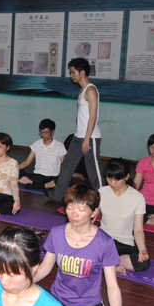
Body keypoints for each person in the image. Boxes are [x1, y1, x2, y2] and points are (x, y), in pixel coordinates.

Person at [35, 184, 127, 306]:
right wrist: (22, 285)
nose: (74, 214)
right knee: (23, 302)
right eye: (70, 208)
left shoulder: (104, 242)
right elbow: (44, 269)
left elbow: (112, 285)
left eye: (81, 209)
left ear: (94, 212)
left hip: (87, 305)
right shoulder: (57, 233)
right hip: (57, 298)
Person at [47, 58, 103, 202]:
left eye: (73, 72)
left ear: (82, 72)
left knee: (93, 170)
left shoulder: (91, 90)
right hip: (78, 136)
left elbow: (93, 117)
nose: (71, 75)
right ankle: (58, 194)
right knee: (67, 164)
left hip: (90, 137)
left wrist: (86, 140)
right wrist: (80, 136)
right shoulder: (82, 90)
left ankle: (103, 199)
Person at [99, 159, 150, 274]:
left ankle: (105, 264)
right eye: (109, 178)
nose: (112, 183)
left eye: (117, 179)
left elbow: (138, 230)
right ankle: (111, 265)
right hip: (103, 240)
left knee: (143, 262)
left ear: (127, 177)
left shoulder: (137, 198)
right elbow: (91, 218)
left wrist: (142, 249)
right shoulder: (102, 192)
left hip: (124, 244)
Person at [18, 119, 67, 190]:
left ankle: (37, 185)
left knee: (63, 178)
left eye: (46, 132)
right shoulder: (37, 144)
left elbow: (65, 164)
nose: (43, 135)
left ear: (53, 132)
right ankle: (40, 185)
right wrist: (12, 168)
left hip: (52, 177)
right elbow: (27, 162)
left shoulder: (59, 146)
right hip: (37, 176)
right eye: (42, 132)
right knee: (15, 173)